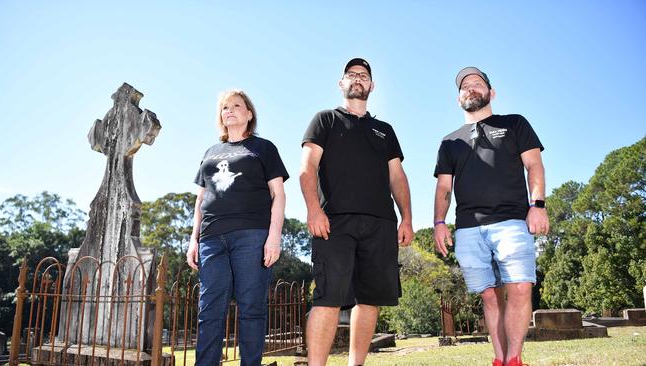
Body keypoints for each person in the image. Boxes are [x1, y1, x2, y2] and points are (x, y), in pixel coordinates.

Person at [300, 58, 413, 366]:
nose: (358, 79)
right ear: (342, 83)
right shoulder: (324, 120)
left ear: (372, 86)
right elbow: (307, 168)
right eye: (351, 75)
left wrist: (407, 218)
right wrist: (313, 210)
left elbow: (397, 177)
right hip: (334, 222)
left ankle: (356, 363)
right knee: (328, 298)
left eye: (363, 76)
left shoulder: (384, 130)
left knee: (370, 299)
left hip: (380, 224)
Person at [433, 67, 549, 366]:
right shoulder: (449, 141)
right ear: (458, 98)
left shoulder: (514, 124)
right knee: (488, 296)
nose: (471, 88)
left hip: (512, 221)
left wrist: (538, 204)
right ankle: (499, 358)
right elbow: (444, 187)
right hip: (469, 229)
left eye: (477, 83)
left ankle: (514, 358)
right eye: (465, 86)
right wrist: (439, 223)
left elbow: (534, 166)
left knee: (521, 286)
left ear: (491, 92)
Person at [186, 89, 289, 366]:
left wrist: (273, 236)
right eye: (224, 107)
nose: (229, 110)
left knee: (251, 308)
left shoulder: (263, 148)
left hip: (252, 235)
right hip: (211, 238)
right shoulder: (210, 152)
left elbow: (278, 194)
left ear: (249, 113)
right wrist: (193, 240)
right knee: (209, 310)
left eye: (236, 106)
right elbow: (201, 198)